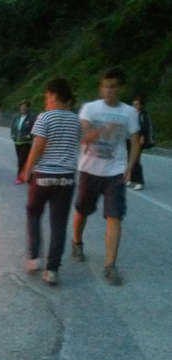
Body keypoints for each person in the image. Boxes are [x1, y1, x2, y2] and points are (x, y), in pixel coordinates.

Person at [72, 67, 140, 286]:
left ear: (120, 88)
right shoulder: (90, 109)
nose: (109, 91)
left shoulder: (129, 112)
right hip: (90, 169)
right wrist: (103, 131)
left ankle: (110, 265)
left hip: (115, 171)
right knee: (82, 210)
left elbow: (136, 141)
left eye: (113, 87)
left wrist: (130, 166)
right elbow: (83, 138)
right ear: (100, 87)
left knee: (114, 216)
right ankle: (77, 242)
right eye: (105, 86)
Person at [20, 79, 82, 285]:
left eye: (47, 97)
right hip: (66, 178)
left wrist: (27, 170)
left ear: (54, 96)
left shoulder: (45, 117)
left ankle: (33, 257)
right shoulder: (76, 120)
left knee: (33, 213)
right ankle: (52, 270)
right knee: (58, 224)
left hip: (43, 176)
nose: (46, 101)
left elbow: (37, 147)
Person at [126, 97, 155, 191]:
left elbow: (145, 127)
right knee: (130, 159)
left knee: (136, 160)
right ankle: (132, 179)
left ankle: (140, 182)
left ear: (141, 105)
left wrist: (142, 136)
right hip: (129, 138)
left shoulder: (143, 115)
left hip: (138, 139)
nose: (135, 106)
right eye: (134, 104)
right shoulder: (131, 114)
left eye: (137, 104)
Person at [11, 100, 36, 184]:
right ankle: (29, 176)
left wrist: (30, 135)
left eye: (25, 106)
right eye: (22, 106)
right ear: (19, 107)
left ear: (28, 107)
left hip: (27, 142)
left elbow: (35, 128)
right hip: (17, 141)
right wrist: (13, 135)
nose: (23, 108)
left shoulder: (32, 117)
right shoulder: (16, 117)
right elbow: (13, 127)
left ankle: (20, 177)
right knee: (21, 160)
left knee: (22, 160)